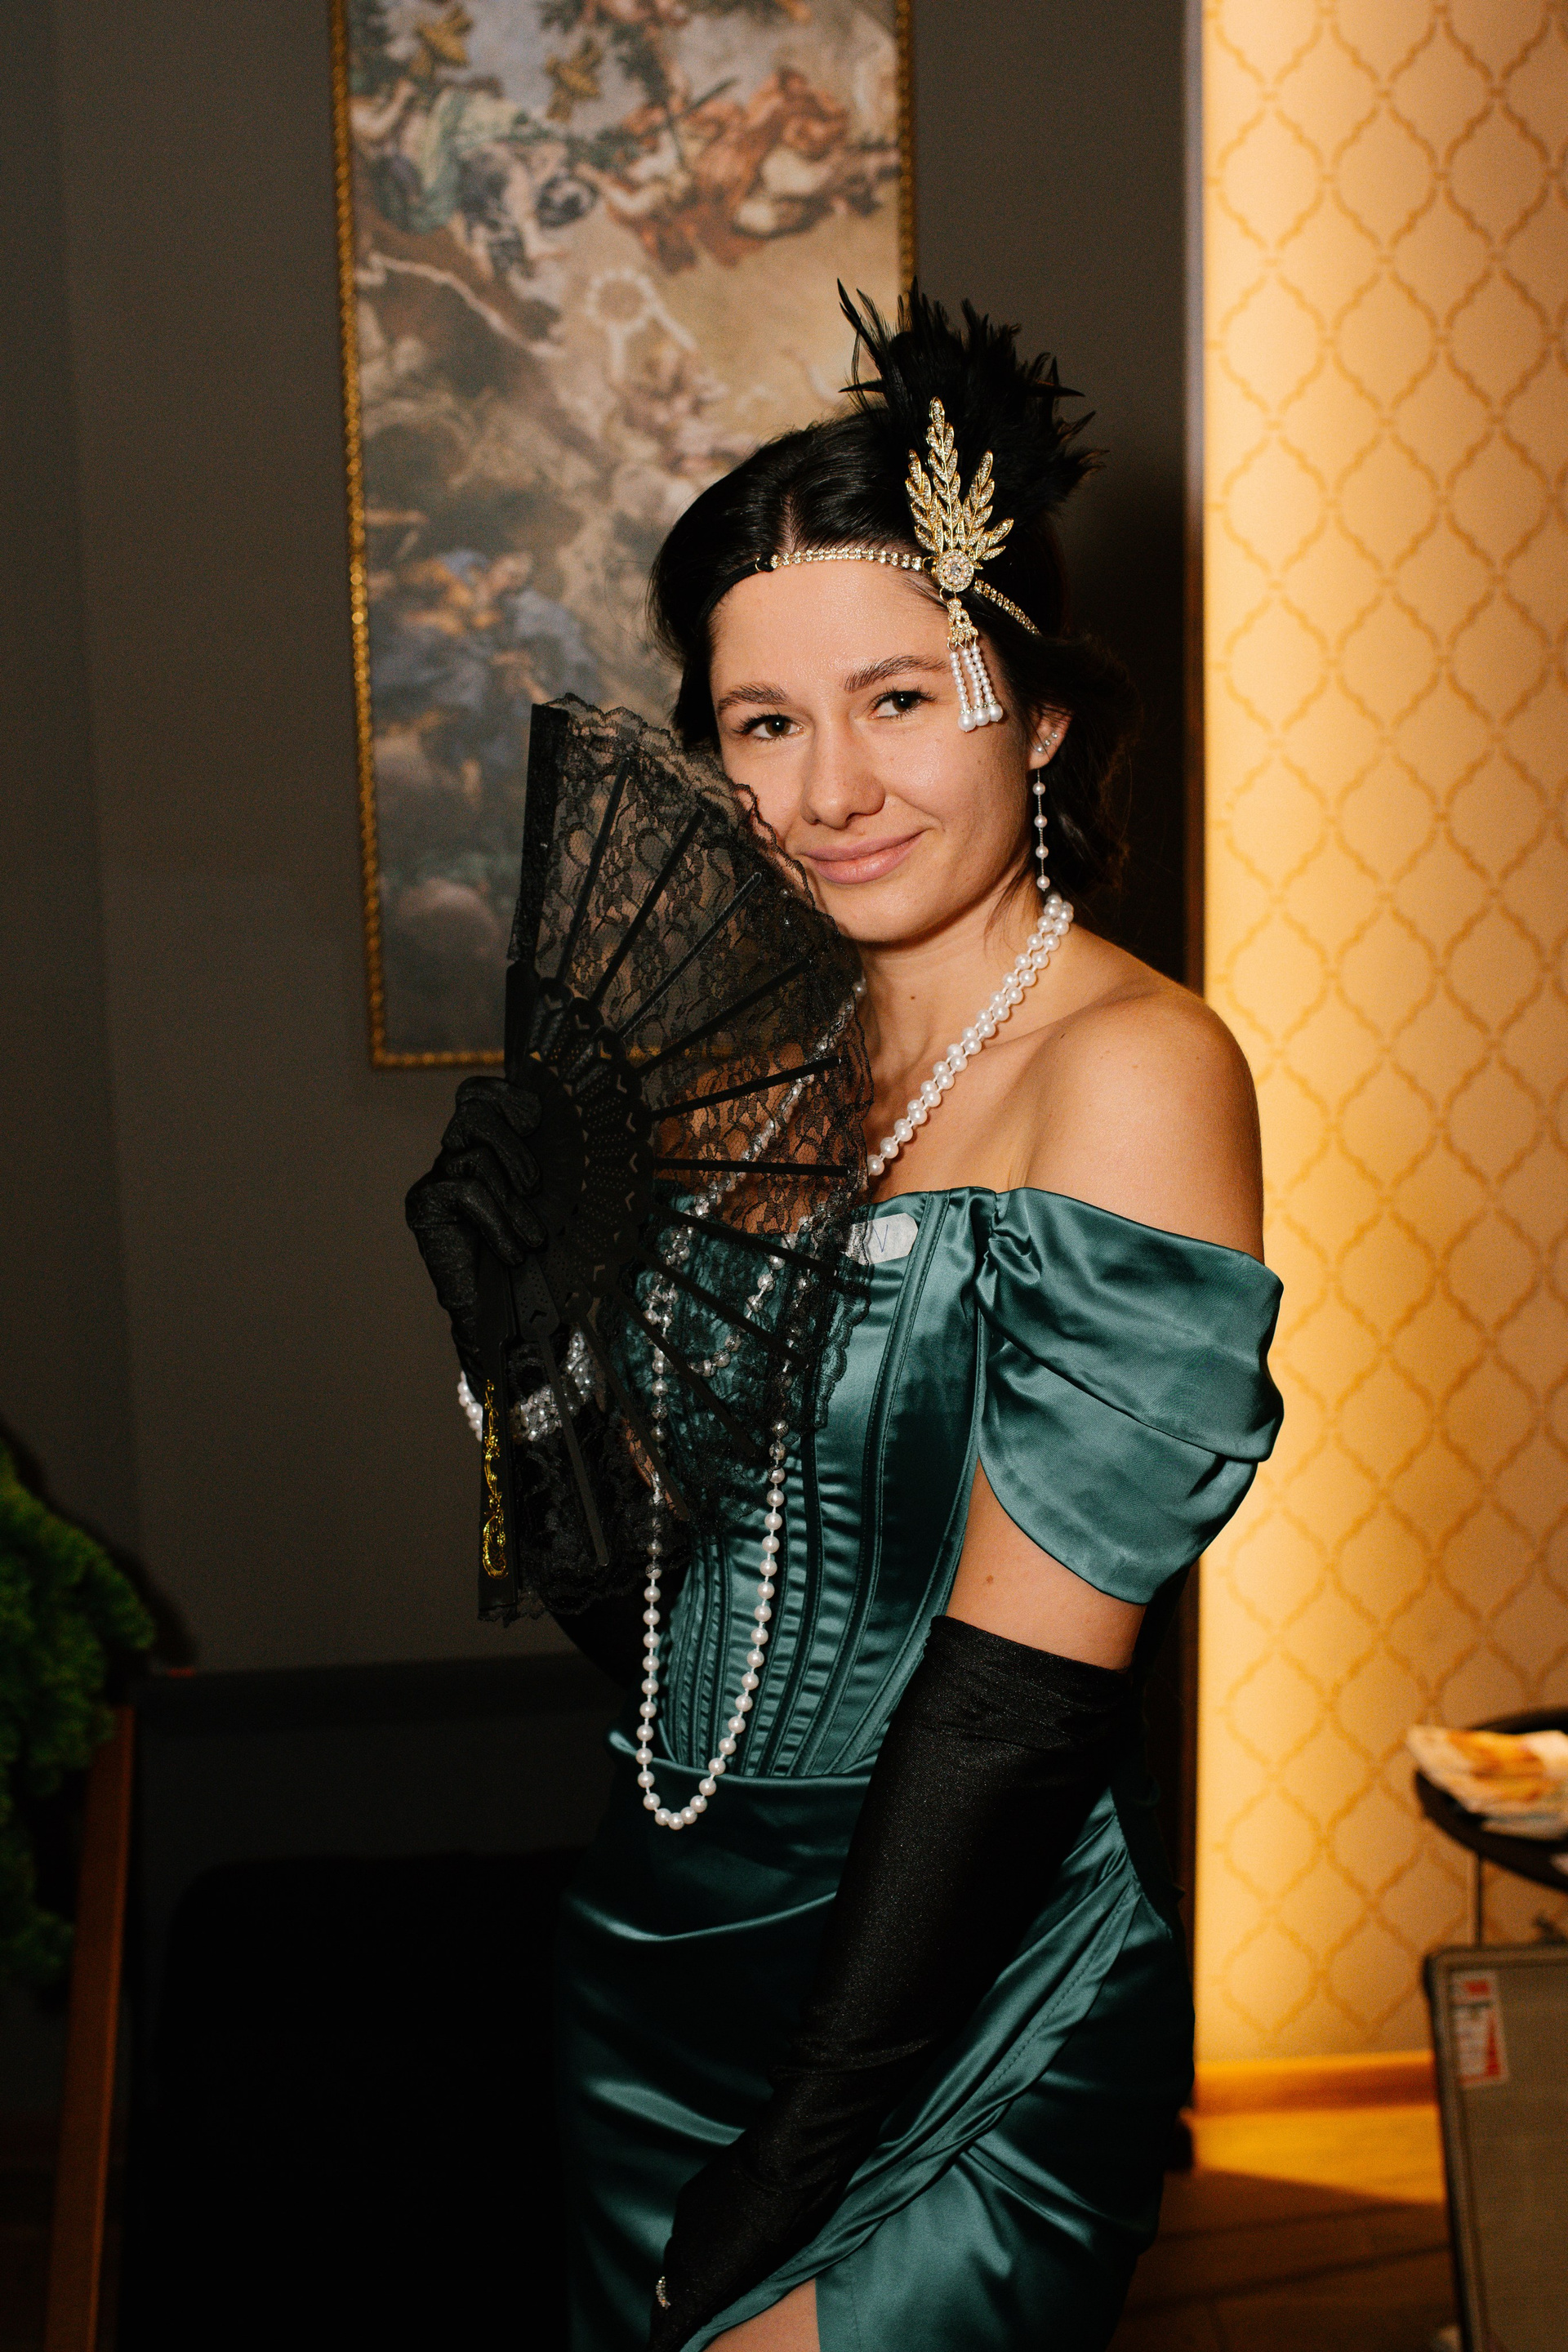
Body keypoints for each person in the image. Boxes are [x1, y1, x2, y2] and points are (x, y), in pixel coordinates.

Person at [411, 290, 1282, 2351]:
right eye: (764, 724)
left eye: (900, 695)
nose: (829, 789)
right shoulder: (742, 1087)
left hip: (947, 1999)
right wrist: (527, 1368)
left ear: (1037, 710)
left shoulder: (1134, 1073)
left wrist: (798, 2159)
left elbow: (1014, 1705)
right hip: (658, 1946)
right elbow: (651, 1626)